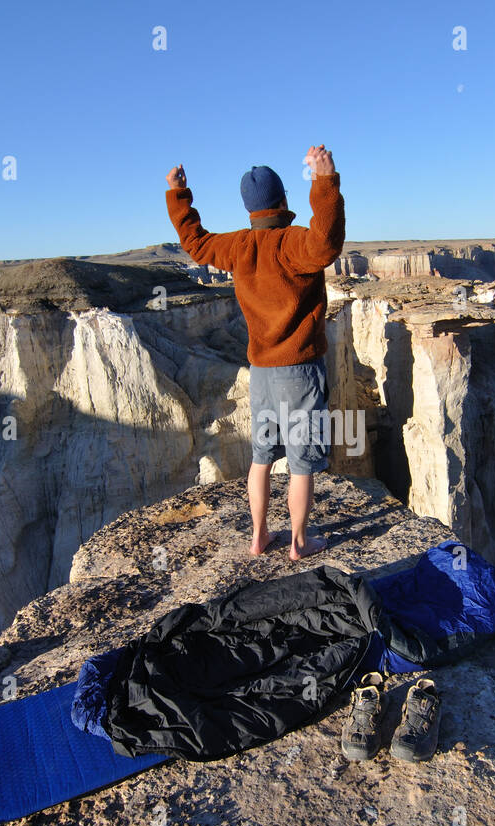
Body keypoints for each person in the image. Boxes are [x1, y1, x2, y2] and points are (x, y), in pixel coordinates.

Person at [165, 145, 345, 560]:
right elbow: (327, 241)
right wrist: (325, 181)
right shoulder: (293, 243)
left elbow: (196, 243)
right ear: (283, 201)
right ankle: (299, 543)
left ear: (250, 210)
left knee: (261, 457)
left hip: (261, 369)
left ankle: (258, 536)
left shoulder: (238, 247)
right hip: (300, 370)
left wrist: (179, 195)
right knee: (301, 461)